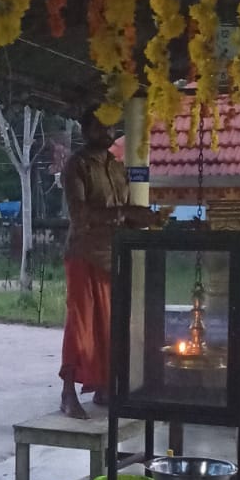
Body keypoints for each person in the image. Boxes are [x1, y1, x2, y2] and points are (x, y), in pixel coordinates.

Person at [60, 106, 153, 419]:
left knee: (110, 326)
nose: (108, 133)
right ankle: (68, 393)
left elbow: (125, 210)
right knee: (81, 326)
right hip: (85, 255)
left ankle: (103, 388)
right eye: (100, 127)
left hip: (114, 256)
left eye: (111, 127)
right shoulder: (76, 166)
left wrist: (146, 217)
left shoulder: (117, 166)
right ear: (85, 130)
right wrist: (124, 214)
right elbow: (80, 215)